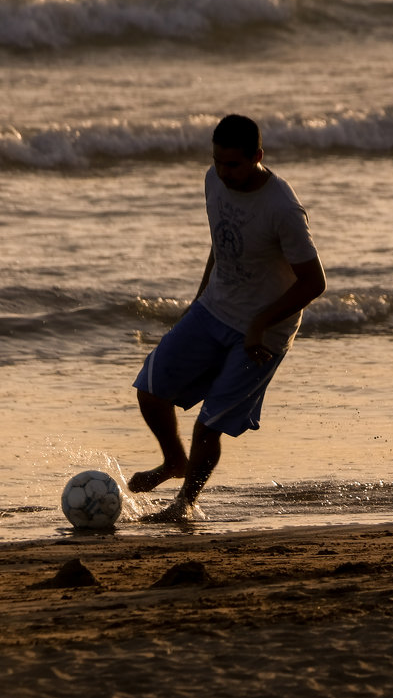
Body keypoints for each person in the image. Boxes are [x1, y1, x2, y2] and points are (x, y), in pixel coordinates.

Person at [129, 114, 326, 521]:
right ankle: (174, 462)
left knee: (208, 425)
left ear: (257, 156)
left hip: (263, 331)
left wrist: (259, 325)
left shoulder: (283, 208)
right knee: (150, 389)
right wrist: (199, 298)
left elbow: (314, 282)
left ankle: (185, 503)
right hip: (214, 308)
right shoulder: (213, 181)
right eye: (217, 161)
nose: (223, 171)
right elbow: (220, 243)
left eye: (233, 164)